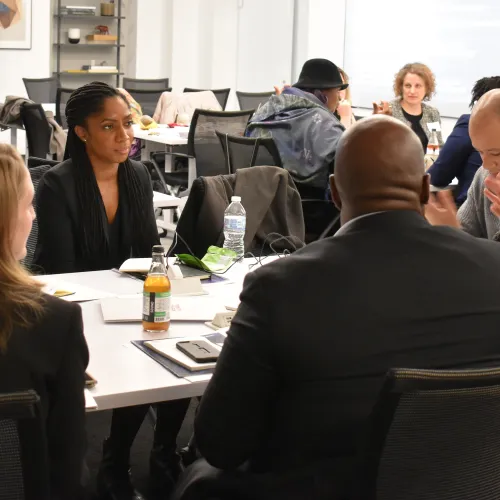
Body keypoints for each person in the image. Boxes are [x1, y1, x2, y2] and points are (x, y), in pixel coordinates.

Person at [176, 115, 500, 500]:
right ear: (425, 187)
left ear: (333, 192)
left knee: (200, 475)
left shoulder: (280, 287)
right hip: (471, 483)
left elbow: (221, 444)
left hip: (319, 487)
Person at [33, 82, 189, 500]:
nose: (125, 137)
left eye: (128, 124)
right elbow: (65, 272)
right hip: (76, 308)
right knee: (141, 348)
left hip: (125, 299)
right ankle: (115, 463)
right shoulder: (57, 185)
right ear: (81, 133)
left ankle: (164, 450)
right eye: (108, 127)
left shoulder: (137, 176)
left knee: (178, 347)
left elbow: (144, 253)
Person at [0, 144, 88, 499]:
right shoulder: (53, 322)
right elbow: (67, 465)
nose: (33, 217)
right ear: (7, 220)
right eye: (27, 205)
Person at [247, 58, 346, 200]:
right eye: (337, 91)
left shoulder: (265, 111)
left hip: (260, 203)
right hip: (309, 212)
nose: (339, 99)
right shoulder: (326, 125)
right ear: (322, 95)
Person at [426, 88, 500, 240]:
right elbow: (465, 238)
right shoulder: (483, 177)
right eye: (479, 152)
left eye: (496, 153)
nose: (485, 164)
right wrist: (449, 232)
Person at [373, 62, 443, 151]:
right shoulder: (388, 110)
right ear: (401, 87)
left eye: (418, 86)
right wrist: (377, 122)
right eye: (408, 86)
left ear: (427, 88)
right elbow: (378, 145)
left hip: (427, 164)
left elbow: (439, 147)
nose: (412, 91)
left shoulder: (432, 113)